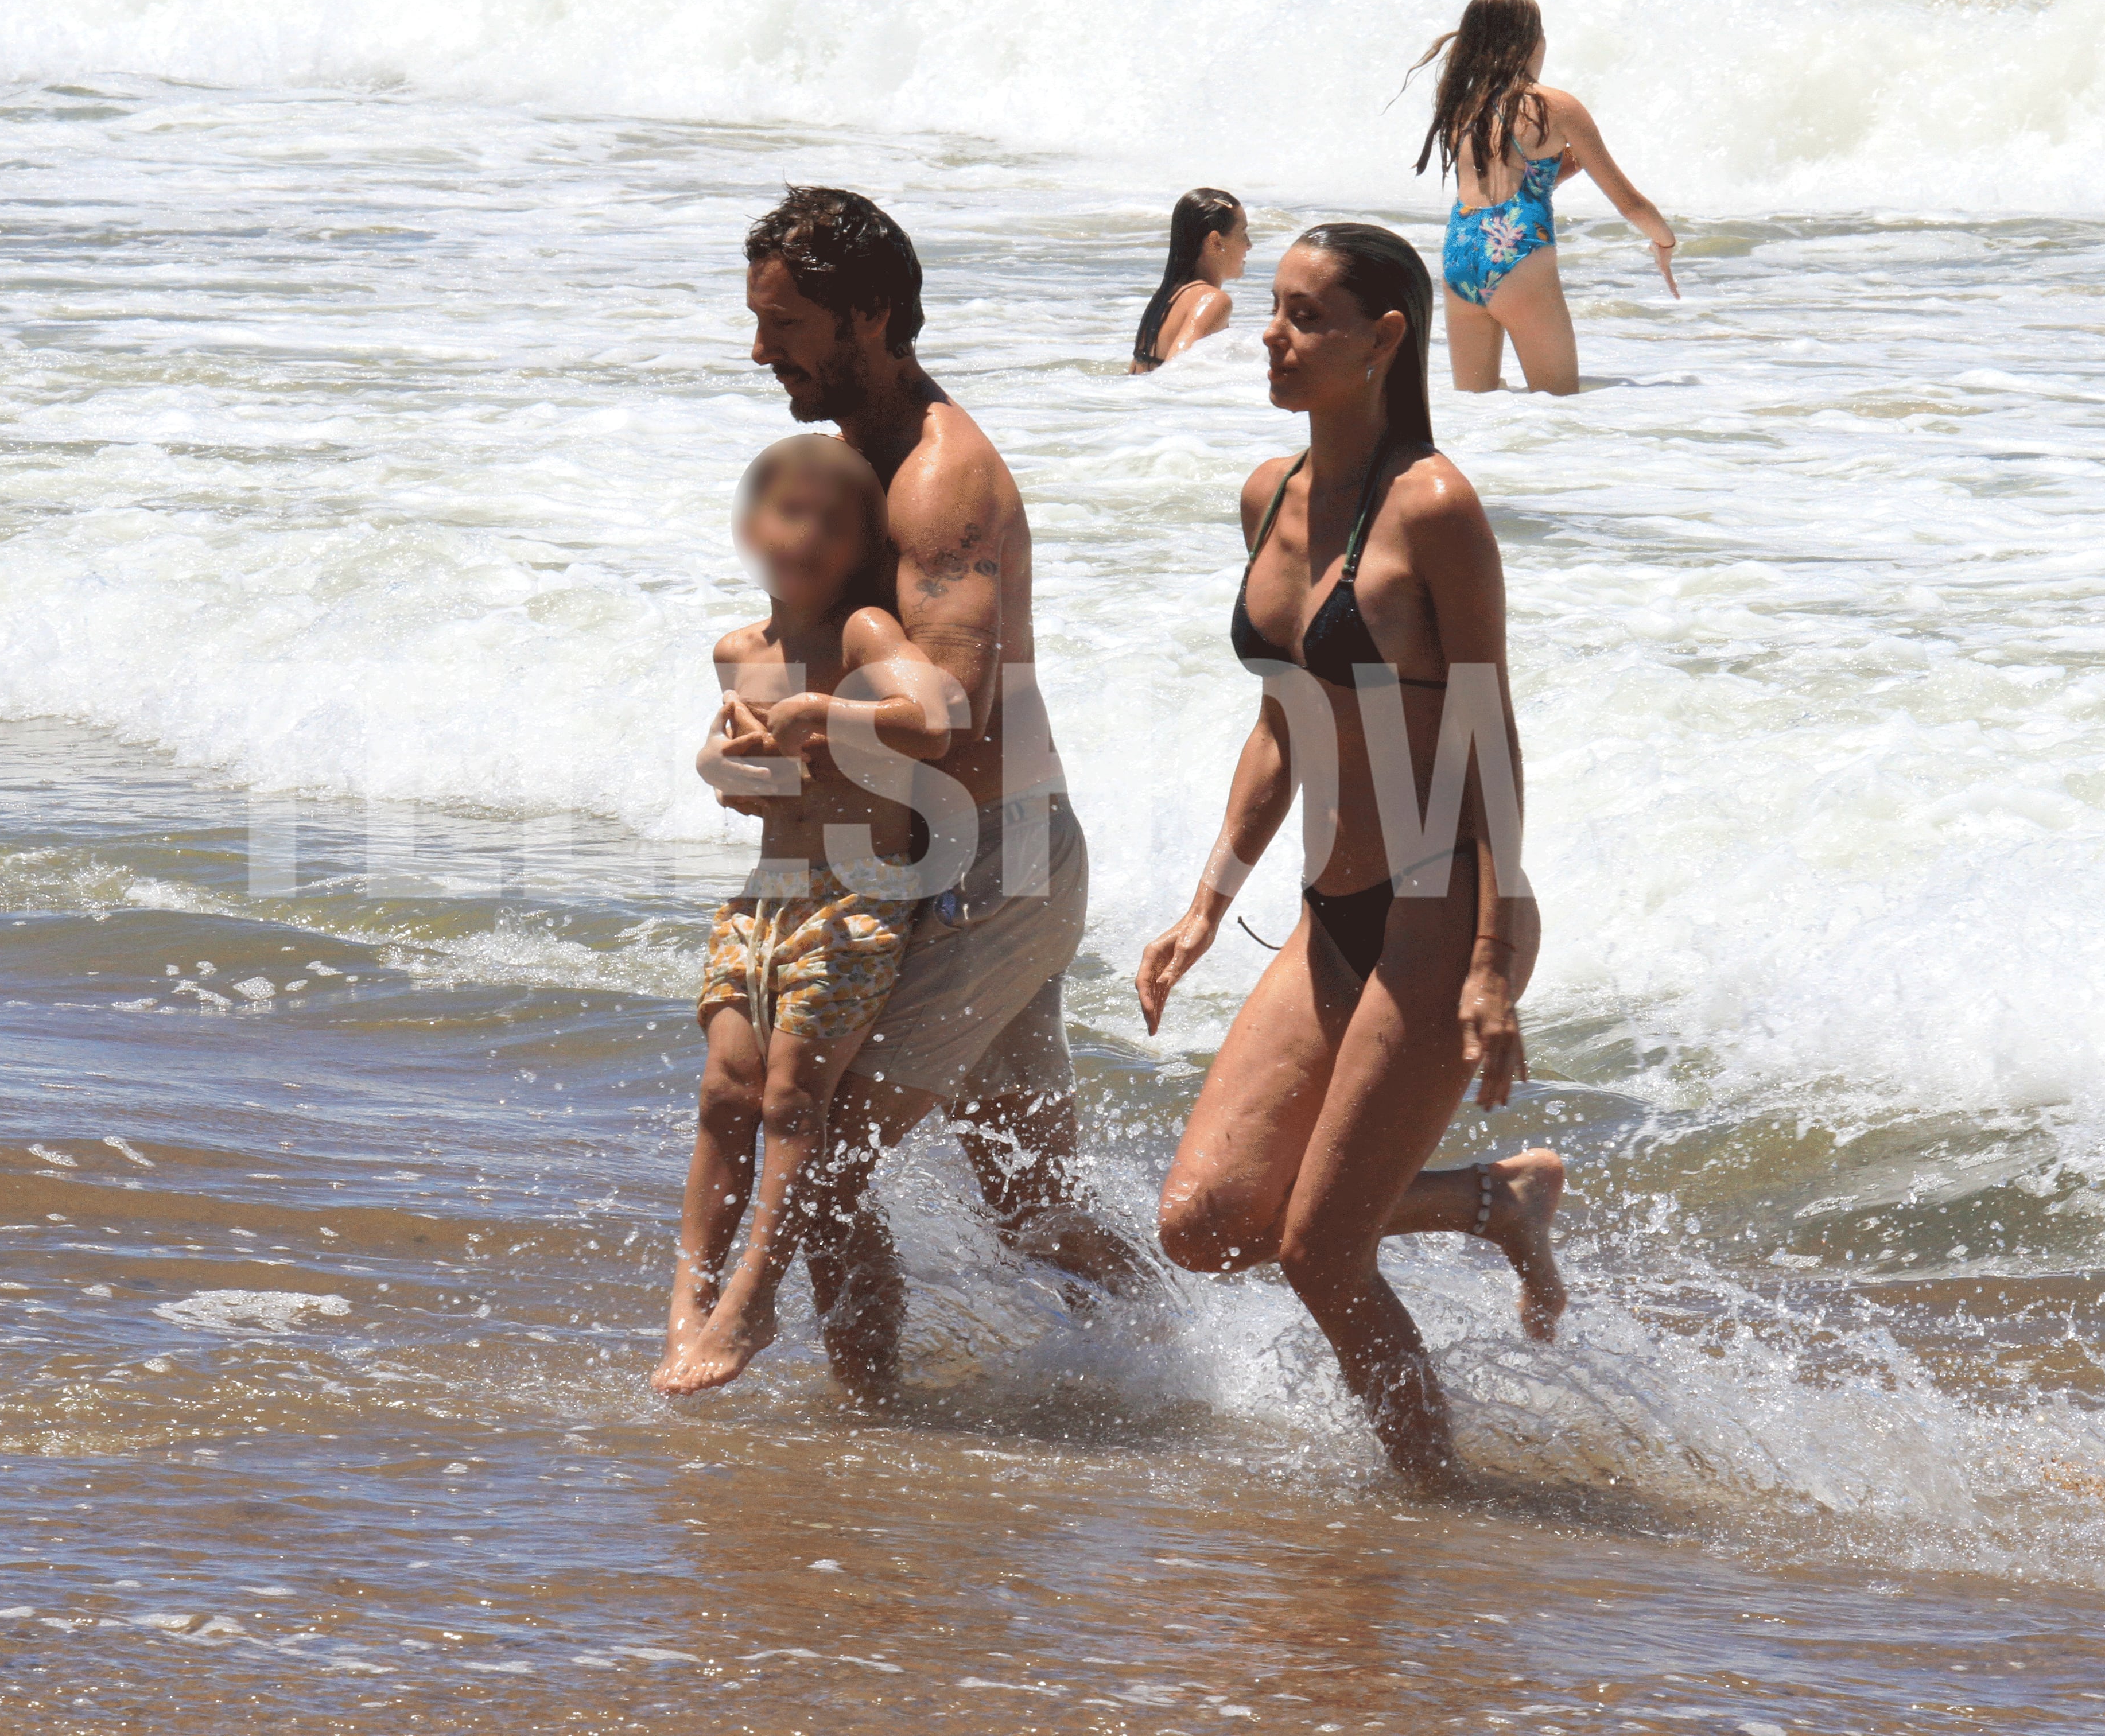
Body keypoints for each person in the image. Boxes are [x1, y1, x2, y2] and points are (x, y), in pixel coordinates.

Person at [1135, 222, 1563, 1490]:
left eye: (1309, 316)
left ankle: (1434, 1503)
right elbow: (1285, 714)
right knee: (1206, 1225)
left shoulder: (1432, 506)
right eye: (1275, 308)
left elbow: (1485, 726)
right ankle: (1494, 1201)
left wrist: (1493, 955)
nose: (1274, 334)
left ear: (1384, 340)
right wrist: (1208, 903)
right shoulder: (1269, 494)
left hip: (1444, 905)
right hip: (1333, 908)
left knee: (1323, 1253)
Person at [725, 184, 1145, 1397]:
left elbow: (946, 707)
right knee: (1028, 1205)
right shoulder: (856, 458)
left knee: (819, 1156)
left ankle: (864, 1420)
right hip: (962, 861)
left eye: (784, 325)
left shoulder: (935, 480)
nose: (760, 352)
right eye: (756, 322)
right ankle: (1197, 1381)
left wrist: (810, 728)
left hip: (990, 867)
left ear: (867, 316)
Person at [657, 436, 958, 1394]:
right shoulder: (737, 650)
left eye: (837, 522)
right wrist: (727, 767)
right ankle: (687, 1309)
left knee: (793, 1102)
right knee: (722, 1095)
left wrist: (817, 712)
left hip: (860, 895)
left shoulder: (865, 632)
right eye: (790, 514)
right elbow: (727, 767)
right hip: (767, 896)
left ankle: (750, 1298)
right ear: (754, 527)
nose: (809, 536)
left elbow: (935, 718)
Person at [1413, 0, 1680, 395]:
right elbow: (1630, 203)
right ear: (1532, 40)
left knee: (1473, 409)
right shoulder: (1555, 107)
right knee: (1560, 407)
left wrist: (1556, 169)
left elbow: (1508, 180)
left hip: (1460, 254)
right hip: (1519, 256)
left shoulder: (1464, 107)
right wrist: (1666, 242)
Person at [1129, 188, 1250, 372]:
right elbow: (1175, 375)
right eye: (1243, 233)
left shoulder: (1165, 301)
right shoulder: (1212, 301)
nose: (1249, 245)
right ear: (1216, 241)